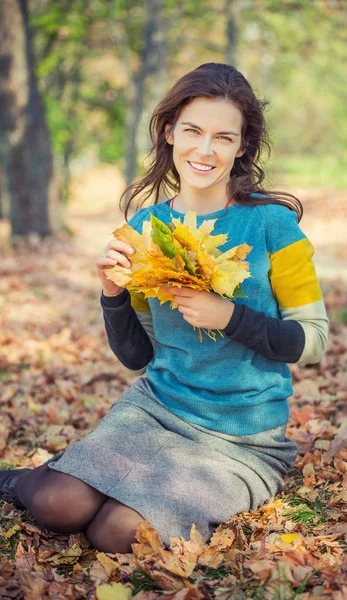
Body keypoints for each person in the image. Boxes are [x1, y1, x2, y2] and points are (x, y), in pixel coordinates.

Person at [0, 62, 329, 553]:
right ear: (171, 133)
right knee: (56, 504)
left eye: (223, 137)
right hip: (155, 411)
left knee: (118, 533)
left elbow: (315, 341)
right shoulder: (145, 230)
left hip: (243, 437)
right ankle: (22, 477)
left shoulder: (271, 226)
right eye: (193, 131)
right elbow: (139, 356)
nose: (205, 149)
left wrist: (229, 317)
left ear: (241, 147)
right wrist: (112, 294)